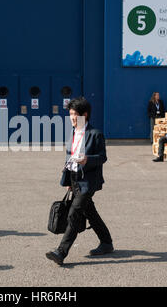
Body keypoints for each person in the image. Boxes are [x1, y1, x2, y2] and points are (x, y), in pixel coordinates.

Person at [46, 97, 113, 266]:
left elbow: (102, 157)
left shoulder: (95, 134)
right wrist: (68, 179)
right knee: (90, 212)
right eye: (70, 114)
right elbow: (69, 156)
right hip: (75, 179)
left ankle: (61, 252)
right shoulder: (73, 132)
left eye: (75, 114)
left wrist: (87, 159)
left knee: (74, 214)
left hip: (88, 181)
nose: (72, 118)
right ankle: (106, 242)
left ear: (85, 115)